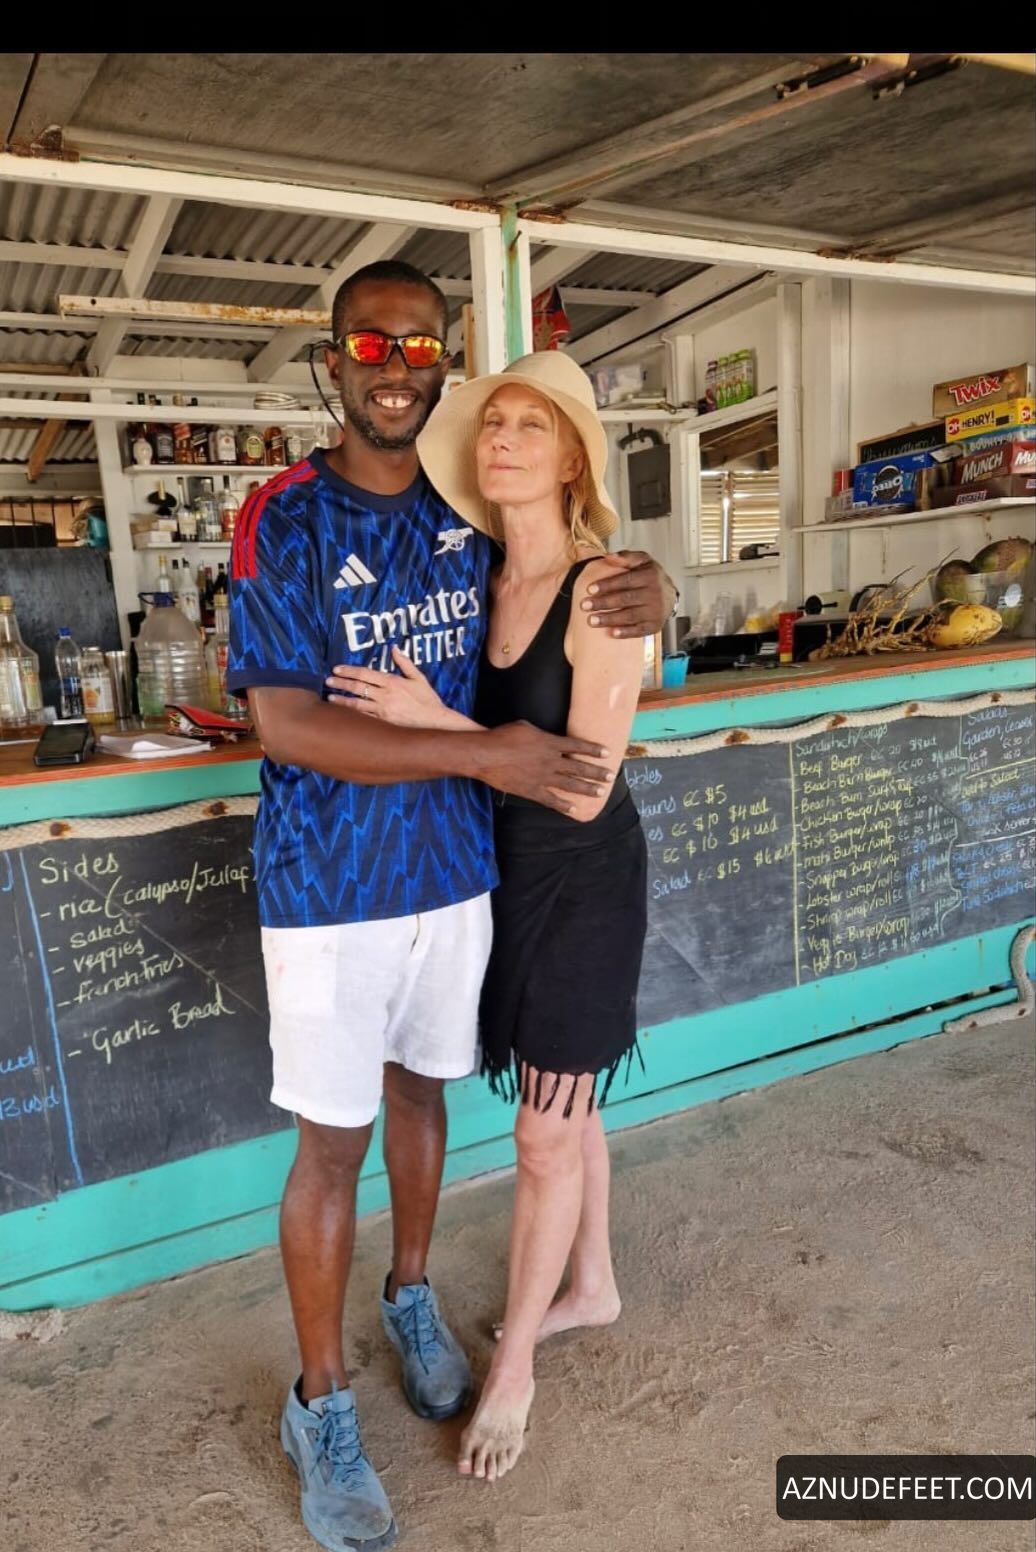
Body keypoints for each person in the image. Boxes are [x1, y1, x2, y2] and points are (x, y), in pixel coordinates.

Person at [227, 260, 675, 1552]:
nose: (394, 368)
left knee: (424, 1101)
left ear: (440, 365)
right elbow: (285, 722)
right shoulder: (281, 517)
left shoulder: (464, 511)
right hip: (329, 888)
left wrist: (654, 588)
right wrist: (493, 757)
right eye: (369, 346)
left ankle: (411, 1296)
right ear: (331, 364)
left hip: (458, 879)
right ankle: (320, 1403)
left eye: (419, 348)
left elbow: (572, 577)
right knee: (332, 1145)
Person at [327, 350, 650, 1486]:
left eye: (532, 424)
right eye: (493, 421)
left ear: (569, 462)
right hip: (497, 876)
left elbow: (583, 786)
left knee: (542, 1131)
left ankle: (513, 1372)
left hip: (582, 881)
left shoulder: (608, 589)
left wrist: (434, 724)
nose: (503, 436)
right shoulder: (476, 581)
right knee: (565, 1100)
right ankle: (591, 1284)